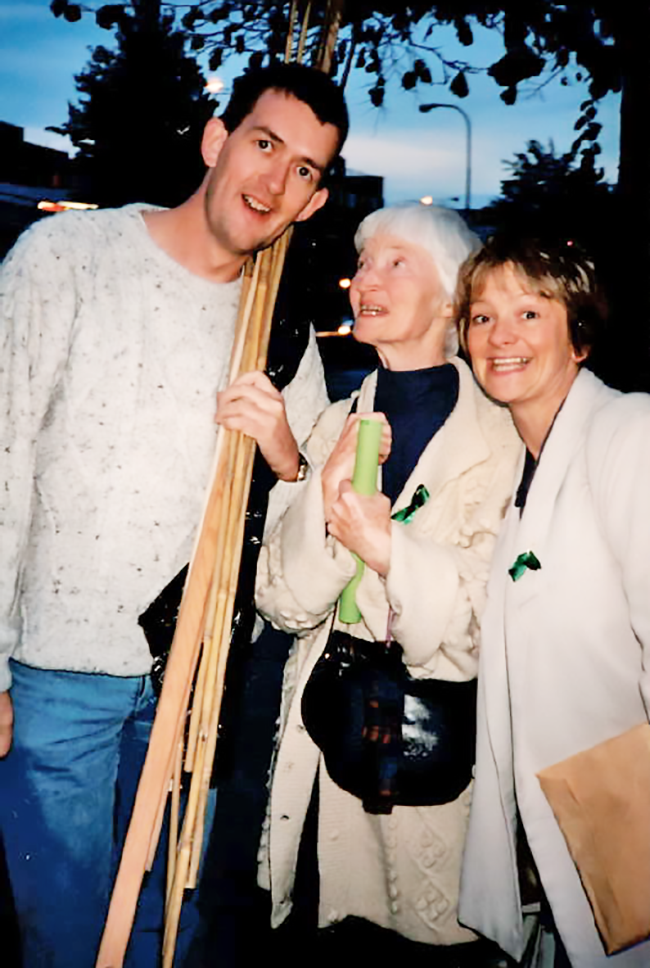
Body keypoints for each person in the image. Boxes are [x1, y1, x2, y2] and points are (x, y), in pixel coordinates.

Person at [0, 62, 348, 968]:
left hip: (194, 682)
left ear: (312, 202)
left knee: (167, 932)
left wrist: (284, 451)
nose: (274, 181)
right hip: (56, 674)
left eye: (304, 169)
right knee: (68, 938)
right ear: (214, 139)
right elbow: (1, 466)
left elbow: (310, 506)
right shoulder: (67, 261)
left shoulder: (279, 329)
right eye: (264, 144)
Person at [254, 203, 521, 964]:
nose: (366, 278)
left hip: (432, 770)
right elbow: (280, 601)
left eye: (396, 262)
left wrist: (386, 547)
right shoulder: (336, 422)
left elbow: (494, 623)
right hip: (323, 757)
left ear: (450, 296)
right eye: (365, 262)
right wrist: (322, 497)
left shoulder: (506, 437)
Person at [456, 235, 650, 967]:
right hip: (552, 840)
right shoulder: (524, 471)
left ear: (580, 339)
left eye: (530, 313)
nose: (501, 336)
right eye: (481, 317)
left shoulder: (628, 432)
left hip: (622, 828)